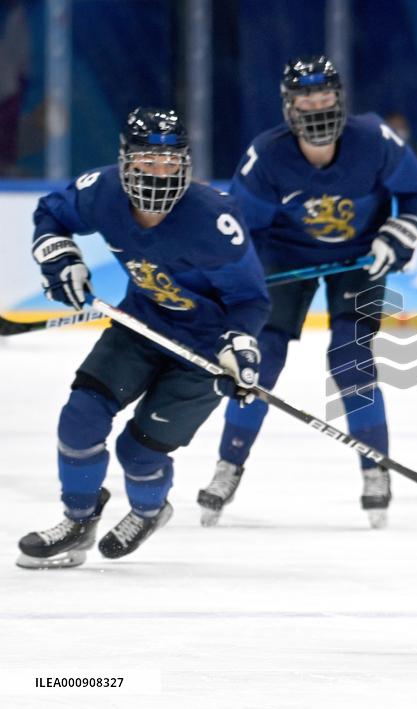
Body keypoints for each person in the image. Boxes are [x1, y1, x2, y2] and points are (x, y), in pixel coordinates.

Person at [17, 108, 270, 569]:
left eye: (169, 162)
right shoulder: (102, 193)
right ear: (125, 161)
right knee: (80, 418)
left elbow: (250, 300)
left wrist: (240, 346)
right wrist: (62, 259)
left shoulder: (215, 220)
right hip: (139, 328)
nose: (159, 172)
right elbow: (51, 214)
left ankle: (150, 510)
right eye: (147, 161)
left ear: (186, 164)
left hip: (201, 353)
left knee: (138, 450)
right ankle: (77, 521)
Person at [196, 55, 417, 528]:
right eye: (306, 96)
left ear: (340, 98)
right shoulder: (266, 156)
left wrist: (403, 227)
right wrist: (240, 283)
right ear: (288, 104)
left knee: (351, 357)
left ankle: (375, 468)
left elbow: (414, 190)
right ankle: (229, 463)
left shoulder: (372, 138)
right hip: (285, 257)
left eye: (324, 94)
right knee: (259, 357)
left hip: (362, 256)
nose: (317, 105)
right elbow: (241, 233)